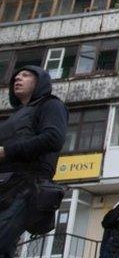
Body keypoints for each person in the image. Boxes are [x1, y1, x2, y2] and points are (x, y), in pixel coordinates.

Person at [0, 66, 68, 257]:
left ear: (40, 81)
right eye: (15, 76)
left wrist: (7, 151)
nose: (17, 78)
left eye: (25, 75)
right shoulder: (13, 117)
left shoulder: (51, 105)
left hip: (28, 186)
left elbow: (53, 138)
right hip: (6, 185)